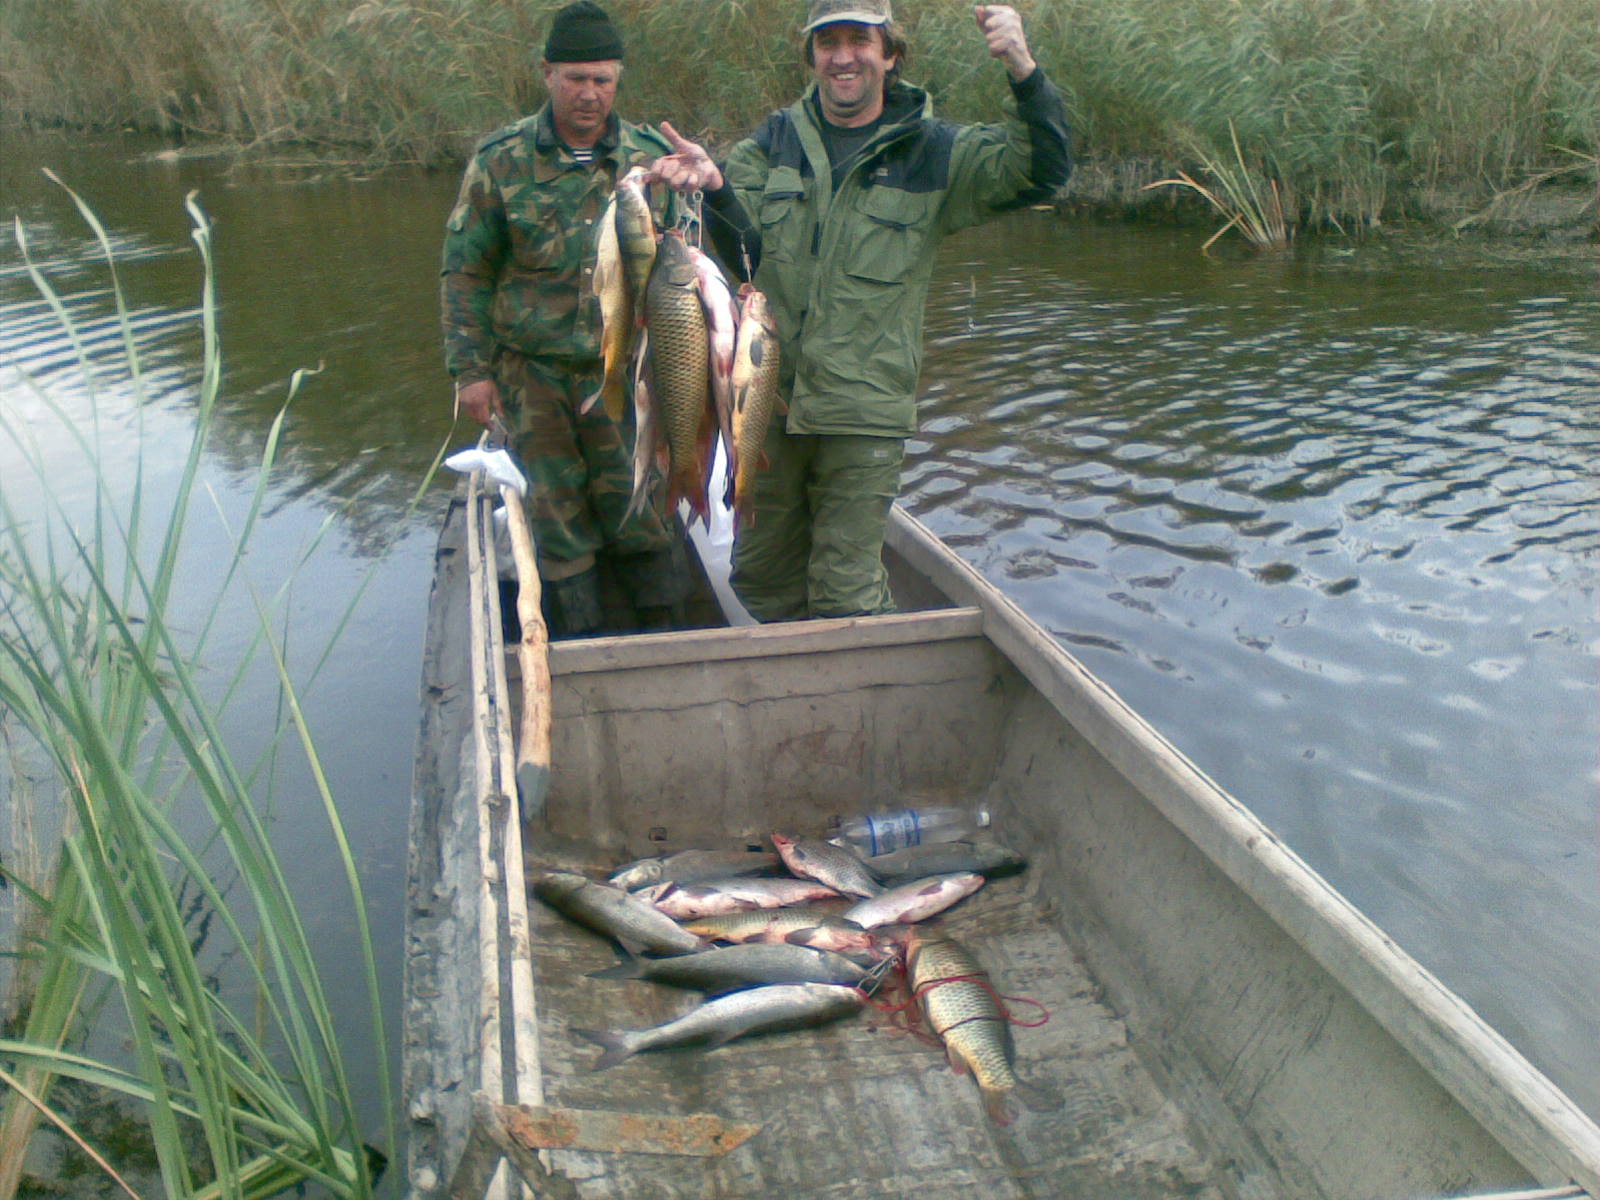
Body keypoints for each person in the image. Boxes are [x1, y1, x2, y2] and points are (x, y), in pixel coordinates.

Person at [652, 1, 1072, 621]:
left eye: (860, 40)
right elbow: (749, 260)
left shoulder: (935, 151)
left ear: (890, 54)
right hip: (768, 398)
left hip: (864, 412)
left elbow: (1042, 171)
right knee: (761, 581)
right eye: (828, 42)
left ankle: (866, 699)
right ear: (813, 56)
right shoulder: (772, 141)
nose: (843, 56)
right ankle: (798, 692)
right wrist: (716, 192)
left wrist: (1022, 67)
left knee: (845, 591)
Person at [441, 1, 688, 637]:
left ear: (618, 81)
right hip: (532, 377)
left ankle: (665, 639)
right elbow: (465, 272)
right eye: (575, 78)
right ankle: (581, 644)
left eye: (602, 80)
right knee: (556, 519)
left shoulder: (653, 159)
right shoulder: (500, 160)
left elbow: (689, 268)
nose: (589, 93)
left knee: (641, 507)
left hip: (627, 374)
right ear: (547, 73)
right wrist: (470, 372)